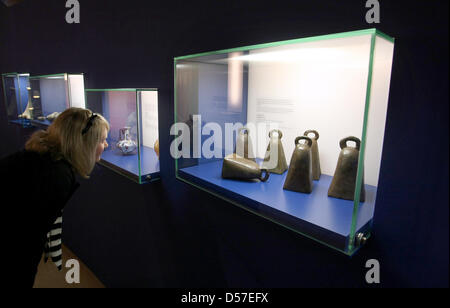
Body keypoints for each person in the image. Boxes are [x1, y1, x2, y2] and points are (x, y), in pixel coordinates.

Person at [0, 107, 109, 287]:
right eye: (102, 140)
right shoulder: (56, 176)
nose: (105, 145)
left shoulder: (42, 156)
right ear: (84, 143)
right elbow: (28, 236)